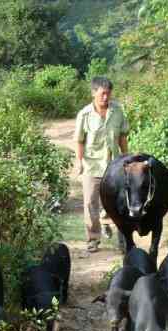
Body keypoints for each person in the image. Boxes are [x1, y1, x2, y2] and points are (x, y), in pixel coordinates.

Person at [74, 77, 128, 253]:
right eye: (102, 93)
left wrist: (126, 157)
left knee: (119, 203)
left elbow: (122, 136)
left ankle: (123, 239)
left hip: (114, 165)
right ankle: (93, 238)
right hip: (92, 165)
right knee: (90, 202)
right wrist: (79, 162)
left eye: (108, 93)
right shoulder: (84, 114)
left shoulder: (118, 111)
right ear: (93, 93)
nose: (106, 97)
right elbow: (80, 140)